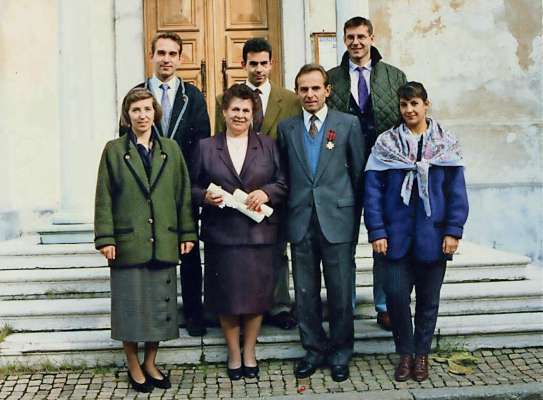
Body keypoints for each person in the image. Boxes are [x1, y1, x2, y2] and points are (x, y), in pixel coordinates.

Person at [364, 82, 469, 382]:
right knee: (396, 296)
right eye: (404, 105)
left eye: (414, 104)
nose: (409, 110)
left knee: (428, 300)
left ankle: (421, 355)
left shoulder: (445, 143)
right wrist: (377, 232)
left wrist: (453, 231)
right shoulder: (386, 145)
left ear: (426, 104)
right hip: (394, 239)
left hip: (433, 238)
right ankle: (405, 353)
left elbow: (456, 192)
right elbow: (372, 193)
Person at [95, 88, 197, 392]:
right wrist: (105, 238)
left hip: (163, 241)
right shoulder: (114, 150)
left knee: (157, 307)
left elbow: (183, 195)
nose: (142, 115)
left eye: (147, 110)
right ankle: (133, 365)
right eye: (136, 110)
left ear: (156, 113)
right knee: (130, 307)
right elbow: (104, 197)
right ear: (127, 116)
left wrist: (187, 233)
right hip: (128, 244)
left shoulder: (171, 149)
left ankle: (151, 362)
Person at [191, 84, 287, 380]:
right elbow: (190, 188)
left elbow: (283, 182)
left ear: (253, 113)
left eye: (246, 110)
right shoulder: (206, 147)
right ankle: (233, 352)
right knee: (227, 296)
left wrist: (266, 192)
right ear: (224, 112)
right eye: (235, 109)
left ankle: (249, 351)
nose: (240, 115)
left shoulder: (268, 145)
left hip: (258, 235)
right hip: (223, 235)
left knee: (256, 296)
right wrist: (204, 196)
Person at [277, 64, 365, 382]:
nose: (310, 94)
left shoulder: (347, 125)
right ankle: (313, 349)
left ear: (327, 90)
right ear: (298, 92)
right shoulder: (287, 129)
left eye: (316, 88)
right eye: (304, 89)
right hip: (301, 220)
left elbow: (358, 176)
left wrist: (355, 222)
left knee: (340, 291)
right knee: (305, 292)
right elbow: (284, 176)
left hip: (338, 220)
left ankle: (341, 352)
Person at [120, 32, 211, 336]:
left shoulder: (192, 96)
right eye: (161, 53)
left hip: (181, 184)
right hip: (146, 187)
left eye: (172, 54)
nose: (166, 59)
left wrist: (193, 183)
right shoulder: (136, 94)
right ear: (152, 56)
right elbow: (125, 143)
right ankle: (158, 314)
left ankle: (194, 313)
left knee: (188, 248)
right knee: (151, 248)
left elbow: (201, 142)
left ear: (180, 58)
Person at [328, 16, 407, 331]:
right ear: (344, 40)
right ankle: (343, 304)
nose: (356, 42)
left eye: (362, 36)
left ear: (372, 38)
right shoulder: (332, 78)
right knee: (342, 243)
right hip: (342, 173)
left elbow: (405, 119)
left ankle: (384, 304)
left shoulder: (393, 76)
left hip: (383, 173)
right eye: (350, 37)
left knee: (383, 241)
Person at [215, 37, 300, 330]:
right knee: (242, 252)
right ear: (244, 64)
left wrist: (274, 188)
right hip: (238, 188)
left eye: (264, 63)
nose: (259, 69)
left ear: (272, 63)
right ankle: (242, 304)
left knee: (278, 248)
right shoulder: (225, 101)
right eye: (253, 64)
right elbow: (219, 145)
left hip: (275, 185)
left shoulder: (289, 99)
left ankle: (278, 305)